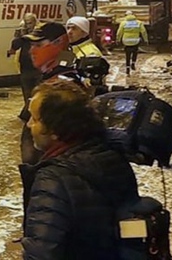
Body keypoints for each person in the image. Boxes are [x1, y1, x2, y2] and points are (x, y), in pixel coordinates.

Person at [21, 78, 139, 259]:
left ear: (54, 129)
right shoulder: (112, 157)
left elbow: (41, 252)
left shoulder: (52, 179)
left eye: (34, 119)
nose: (29, 125)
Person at [22, 22, 83, 165]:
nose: (31, 51)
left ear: (58, 43)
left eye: (38, 45)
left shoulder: (64, 85)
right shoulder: (50, 77)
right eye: (31, 46)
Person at [8, 14, 42, 111]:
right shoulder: (23, 33)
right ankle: (28, 110)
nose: (28, 26)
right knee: (26, 91)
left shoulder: (39, 31)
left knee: (36, 91)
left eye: (30, 23)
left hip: (37, 67)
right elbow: (15, 46)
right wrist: (19, 35)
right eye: (26, 23)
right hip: (25, 67)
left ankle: (34, 110)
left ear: (35, 22)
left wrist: (27, 35)